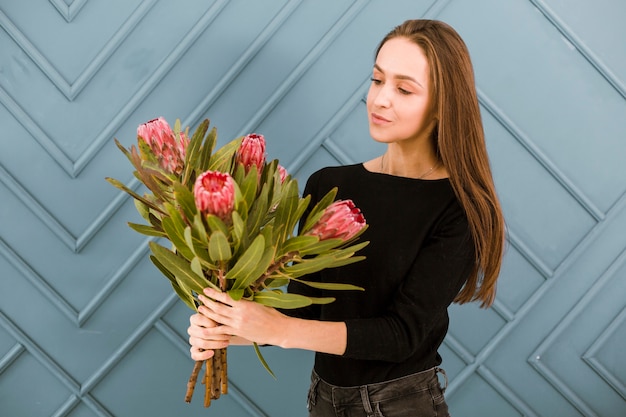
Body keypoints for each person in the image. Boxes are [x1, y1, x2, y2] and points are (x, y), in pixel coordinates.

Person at [187, 19, 505, 416]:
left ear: (443, 105)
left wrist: (279, 331)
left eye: (404, 89)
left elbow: (402, 334)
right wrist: (229, 328)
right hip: (323, 400)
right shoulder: (330, 185)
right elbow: (303, 309)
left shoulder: (459, 207)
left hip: (402, 405)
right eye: (377, 80)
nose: (380, 99)